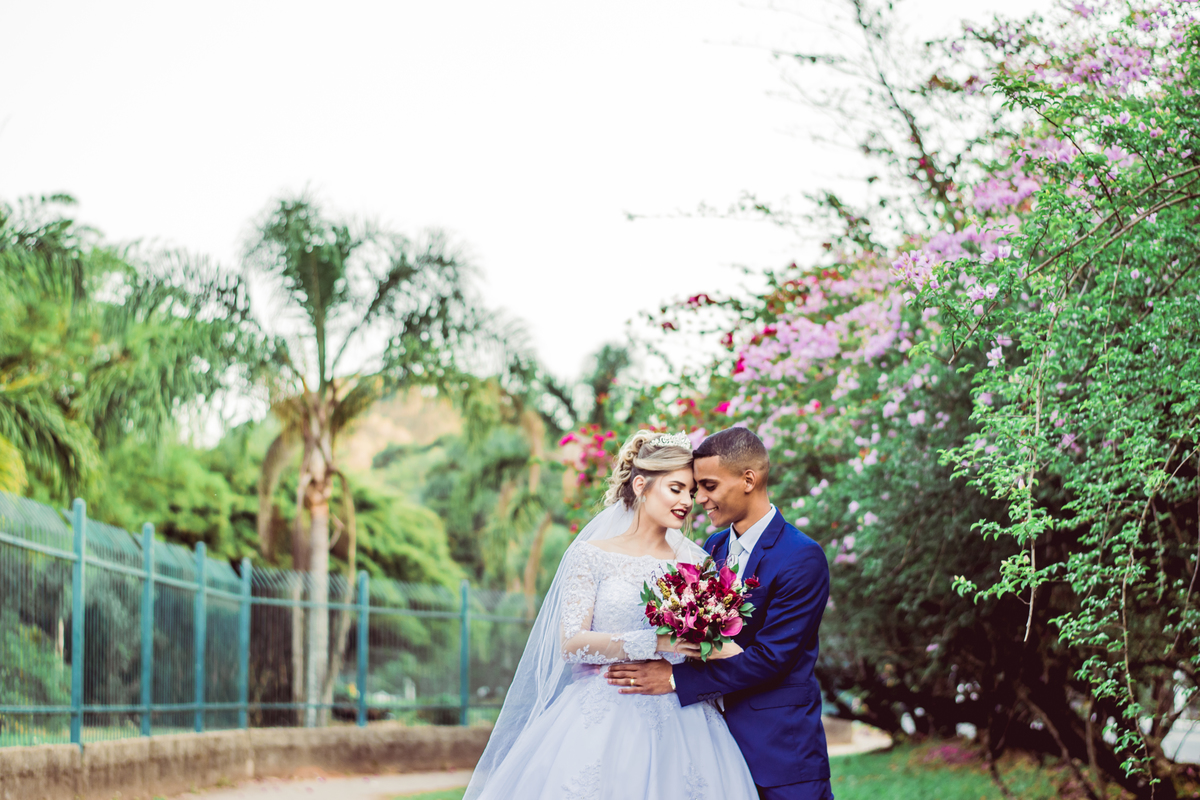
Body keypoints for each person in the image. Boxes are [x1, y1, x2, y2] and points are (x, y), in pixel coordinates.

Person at [463, 430, 758, 800]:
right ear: (641, 485)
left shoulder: (697, 561)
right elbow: (571, 643)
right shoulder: (591, 555)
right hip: (602, 715)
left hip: (684, 718)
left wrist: (711, 645)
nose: (688, 501)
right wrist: (655, 641)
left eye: (692, 491)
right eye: (676, 488)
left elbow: (714, 644)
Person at [608, 427, 833, 800]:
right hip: (712, 747)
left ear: (749, 479)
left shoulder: (801, 557)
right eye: (697, 489)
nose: (701, 499)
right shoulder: (711, 548)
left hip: (779, 754)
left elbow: (772, 658)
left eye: (709, 486)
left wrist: (675, 679)